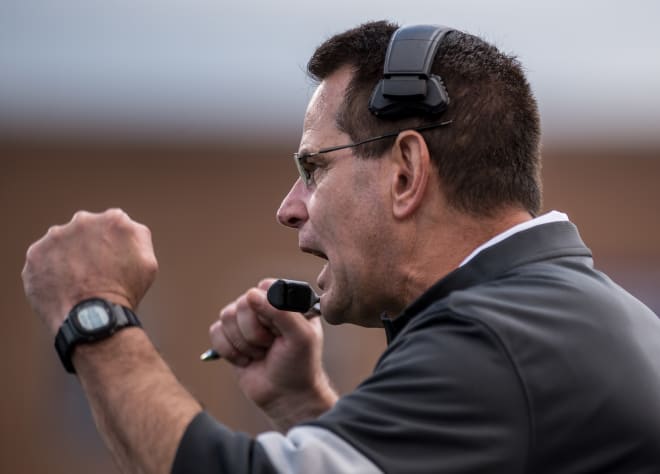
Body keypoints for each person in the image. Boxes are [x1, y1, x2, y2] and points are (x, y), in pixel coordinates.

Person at [21, 20, 660, 474]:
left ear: (405, 172)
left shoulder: (497, 341)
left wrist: (94, 310)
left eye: (313, 168)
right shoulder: (549, 314)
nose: (288, 207)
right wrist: (306, 407)